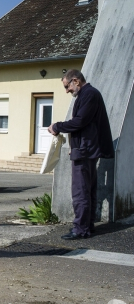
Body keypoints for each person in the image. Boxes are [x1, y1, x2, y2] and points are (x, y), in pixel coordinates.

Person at [48, 69, 114, 240]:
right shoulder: (88, 95)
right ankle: (87, 226)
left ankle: (80, 229)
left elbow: (80, 122)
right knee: (88, 190)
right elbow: (85, 125)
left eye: (67, 86)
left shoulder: (89, 95)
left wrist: (57, 126)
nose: (67, 91)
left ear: (75, 81)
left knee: (80, 191)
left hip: (85, 151)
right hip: (86, 149)